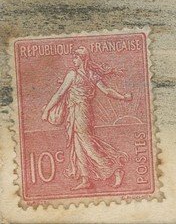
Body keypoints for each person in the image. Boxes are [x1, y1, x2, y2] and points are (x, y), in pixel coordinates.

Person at [41, 46, 132, 190]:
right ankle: (85, 179)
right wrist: (123, 97)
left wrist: (46, 110)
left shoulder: (73, 74)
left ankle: (114, 169)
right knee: (78, 144)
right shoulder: (91, 75)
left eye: (76, 57)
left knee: (87, 143)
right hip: (79, 112)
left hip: (80, 112)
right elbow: (106, 91)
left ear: (82, 58)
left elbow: (59, 94)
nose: (73, 60)